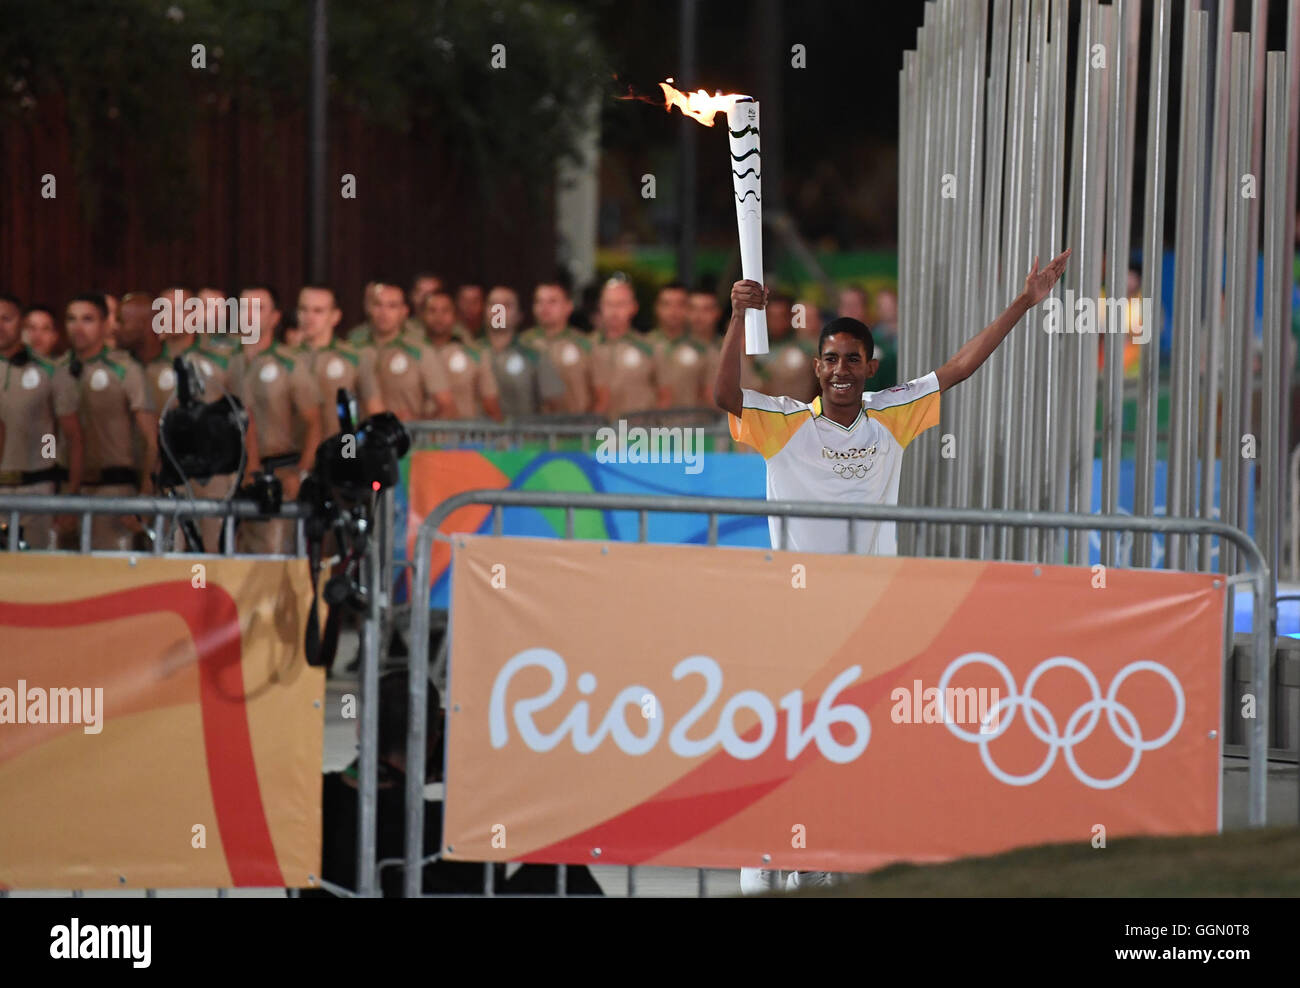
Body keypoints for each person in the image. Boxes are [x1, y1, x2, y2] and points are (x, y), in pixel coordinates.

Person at [716, 249, 1070, 893]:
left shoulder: (891, 413)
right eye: (831, 359)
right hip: (796, 613)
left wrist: (1025, 302)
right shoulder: (784, 424)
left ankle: (826, 855)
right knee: (789, 740)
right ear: (816, 368)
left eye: (854, 359)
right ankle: (767, 856)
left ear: (871, 366)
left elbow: (959, 368)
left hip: (870, 614)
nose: (842, 370)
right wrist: (739, 317)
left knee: (850, 741)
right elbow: (719, 394)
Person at [311, 670, 603, 897]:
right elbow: (490, 880)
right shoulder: (445, 827)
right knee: (562, 872)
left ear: (361, 728)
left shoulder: (315, 802)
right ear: (431, 741)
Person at [66, 294, 156, 551]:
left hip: (116, 492)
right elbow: (49, 436)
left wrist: (144, 499)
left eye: (88, 319)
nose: (78, 327)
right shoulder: (60, 370)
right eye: (71, 319)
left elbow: (151, 440)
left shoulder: (126, 369)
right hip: (69, 493)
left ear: (106, 324)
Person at [236, 286, 322, 554]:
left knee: (270, 558)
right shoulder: (226, 363)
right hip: (227, 478)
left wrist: (302, 473)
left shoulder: (289, 364)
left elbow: (314, 422)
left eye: (258, 308)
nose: (249, 315)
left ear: (274, 317)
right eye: (244, 308)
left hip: (276, 474)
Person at [0, 293, 82, 550]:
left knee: (37, 573)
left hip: (36, 488)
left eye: (6, 319)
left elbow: (72, 436)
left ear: (20, 324)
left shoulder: (51, 371)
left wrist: (70, 495)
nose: (0, 326)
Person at [361, 281, 454, 421]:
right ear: (369, 308)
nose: (383, 312)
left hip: (409, 438)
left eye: (392, 306)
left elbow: (447, 407)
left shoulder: (420, 352)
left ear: (404, 311)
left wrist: (418, 423)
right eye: (378, 305)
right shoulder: (356, 350)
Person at [297, 284, 382, 437]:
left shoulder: (356, 357)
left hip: (344, 451)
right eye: (304, 309)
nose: (309, 317)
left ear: (335, 316)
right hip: (297, 455)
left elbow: (375, 410)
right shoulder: (286, 360)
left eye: (318, 311)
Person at [518, 276, 597, 414]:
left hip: (577, 431)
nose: (544, 307)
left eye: (552, 301)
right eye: (539, 301)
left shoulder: (585, 346)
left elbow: (600, 394)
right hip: (532, 431)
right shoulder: (522, 344)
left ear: (568, 306)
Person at [485, 285, 566, 418]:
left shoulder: (534, 355)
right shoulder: (471, 353)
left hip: (525, 436)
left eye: (506, 305)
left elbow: (554, 405)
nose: (499, 310)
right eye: (493, 304)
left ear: (519, 315)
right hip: (477, 437)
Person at [420, 290, 501, 420]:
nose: (438, 317)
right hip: (420, 437)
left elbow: (491, 404)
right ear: (422, 315)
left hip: (465, 436)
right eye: (432, 311)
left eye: (445, 311)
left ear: (455, 315)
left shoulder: (475, 354)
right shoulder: (411, 354)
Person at [592, 277, 657, 418]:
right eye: (609, 304)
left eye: (620, 304)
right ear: (600, 306)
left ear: (633, 307)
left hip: (639, 435)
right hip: (596, 435)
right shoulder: (587, 347)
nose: (614, 311)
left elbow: (664, 394)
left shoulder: (649, 348)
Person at [755, 291, 818, 403]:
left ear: (790, 317)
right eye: (772, 316)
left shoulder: (806, 348)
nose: (777, 322)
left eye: (781, 316)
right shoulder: (755, 349)